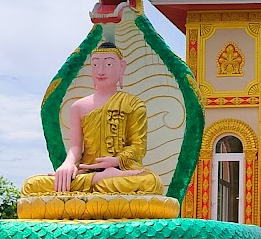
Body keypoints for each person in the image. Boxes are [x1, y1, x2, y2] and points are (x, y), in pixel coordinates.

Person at [22, 42, 164, 196]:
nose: (101, 71)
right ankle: (99, 178)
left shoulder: (134, 104)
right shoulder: (79, 106)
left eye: (108, 64)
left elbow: (138, 146)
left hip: (121, 172)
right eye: (95, 65)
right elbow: (75, 148)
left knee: (151, 183)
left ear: (121, 67)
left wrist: (116, 161)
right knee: (31, 185)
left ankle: (101, 180)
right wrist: (68, 163)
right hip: (87, 171)